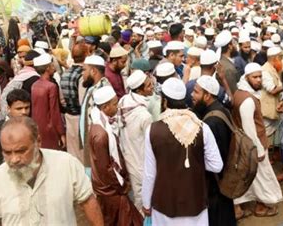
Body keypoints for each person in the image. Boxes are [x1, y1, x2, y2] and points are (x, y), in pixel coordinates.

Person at [0, 116, 103, 225]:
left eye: (21, 151)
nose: (14, 159)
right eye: (7, 152)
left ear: (38, 142)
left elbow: (88, 202)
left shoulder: (66, 164)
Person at [141, 77, 223, 226]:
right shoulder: (202, 127)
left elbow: (149, 173)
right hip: (195, 201)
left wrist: (146, 203)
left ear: (164, 101)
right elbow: (216, 165)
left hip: (164, 204)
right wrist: (195, 163)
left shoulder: (152, 130)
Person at [233, 63, 283, 218]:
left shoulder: (240, 93)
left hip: (244, 145)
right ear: (246, 77)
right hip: (254, 146)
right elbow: (250, 129)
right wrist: (259, 150)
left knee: (247, 176)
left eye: (260, 76)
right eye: (254, 77)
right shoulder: (247, 100)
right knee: (261, 177)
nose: (258, 80)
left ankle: (238, 208)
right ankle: (260, 207)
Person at [89, 86, 143, 225]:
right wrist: (122, 185)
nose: (117, 107)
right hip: (110, 190)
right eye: (114, 104)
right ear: (105, 107)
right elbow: (106, 167)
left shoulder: (100, 124)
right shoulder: (101, 135)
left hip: (109, 187)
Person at [191, 75, 236, 226]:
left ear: (207, 95)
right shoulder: (220, 110)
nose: (192, 95)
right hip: (223, 181)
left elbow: (215, 159)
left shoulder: (212, 121)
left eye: (196, 92)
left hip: (216, 185)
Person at [118, 70, 154, 212]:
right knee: (141, 203)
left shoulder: (123, 101)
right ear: (140, 90)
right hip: (140, 163)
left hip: (127, 158)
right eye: (149, 85)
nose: (152, 87)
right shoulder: (144, 116)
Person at [79, 55, 111, 168]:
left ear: (93, 71)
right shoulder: (92, 88)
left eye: (84, 70)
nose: (82, 74)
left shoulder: (103, 91)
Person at [0, 89, 30, 172]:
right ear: (9, 108)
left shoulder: (29, 127)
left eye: (27, 108)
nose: (24, 112)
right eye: (19, 109)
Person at [31, 53, 65, 150]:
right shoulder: (51, 86)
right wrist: (61, 132)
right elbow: (55, 112)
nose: (54, 66)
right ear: (47, 68)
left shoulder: (34, 85)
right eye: (52, 65)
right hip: (50, 129)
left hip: (38, 127)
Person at [60, 43, 86, 163]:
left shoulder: (65, 73)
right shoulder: (82, 74)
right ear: (86, 54)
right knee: (83, 153)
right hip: (80, 117)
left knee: (73, 152)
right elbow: (82, 100)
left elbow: (62, 99)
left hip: (69, 116)